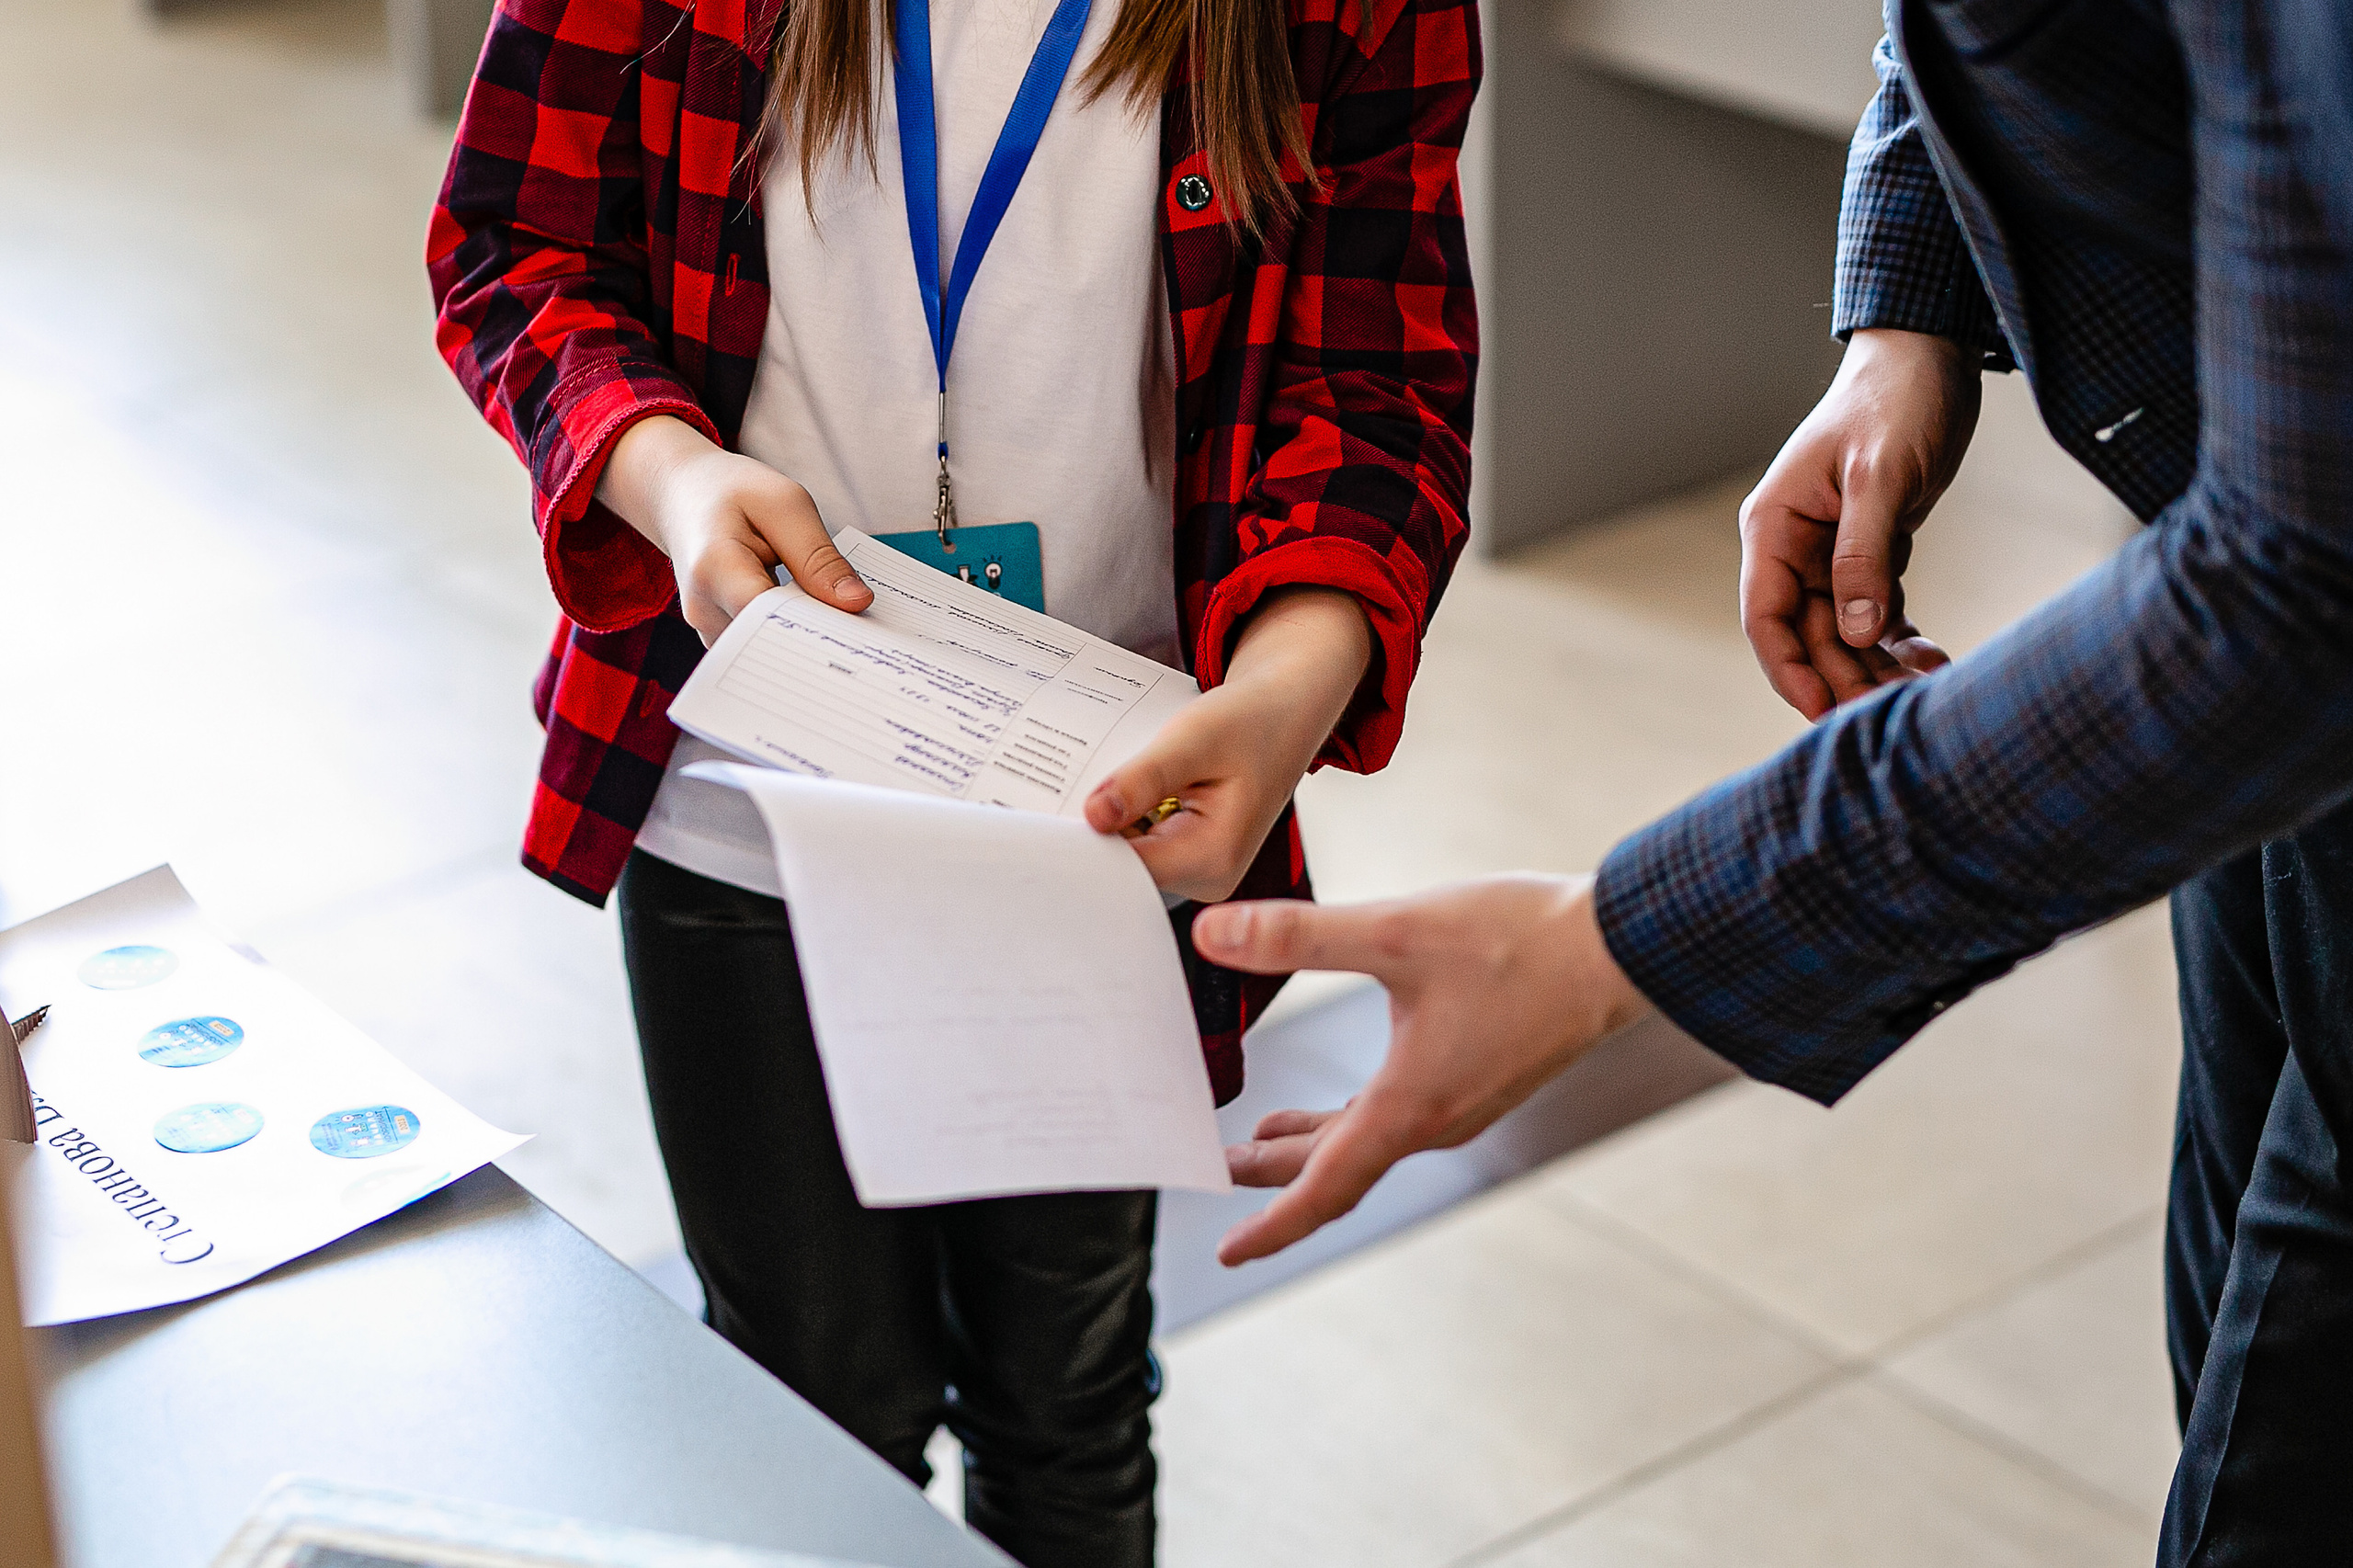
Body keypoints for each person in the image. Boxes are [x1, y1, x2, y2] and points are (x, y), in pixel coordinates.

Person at [1196, 1, 2353, 1559]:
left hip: (2282, 607)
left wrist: (1618, 943)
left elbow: (2300, 593)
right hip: (2226, 537)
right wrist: (1906, 315)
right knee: (2227, 1318)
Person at [426, 0, 1476, 1559]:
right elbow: (515, 245)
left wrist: (1277, 703)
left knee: (1068, 1398)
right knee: (808, 1410)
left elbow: (1376, 390)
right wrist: (670, 466)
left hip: (1100, 824)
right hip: (746, 807)